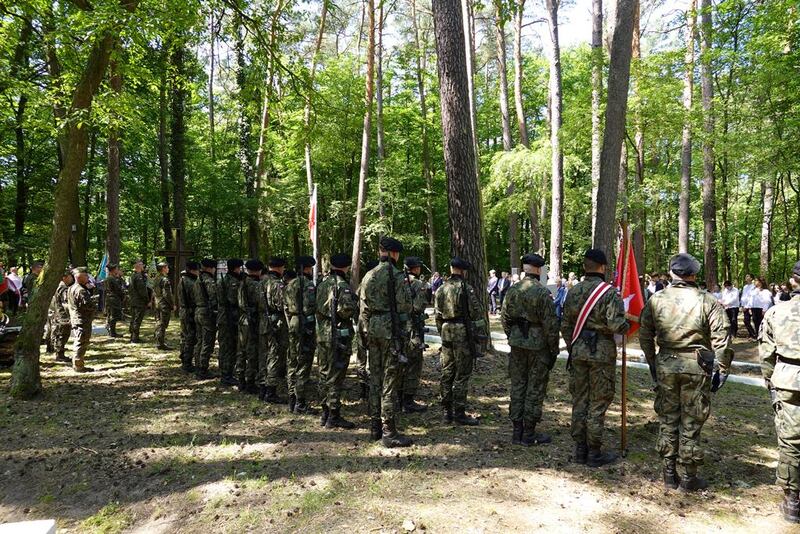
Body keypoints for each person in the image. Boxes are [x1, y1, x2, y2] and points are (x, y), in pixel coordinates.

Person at [639, 253, 733, 491]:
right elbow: (722, 339)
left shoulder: (656, 299)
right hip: (696, 367)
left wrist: (653, 362)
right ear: (693, 274)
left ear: (671, 273)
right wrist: (721, 370)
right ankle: (688, 476)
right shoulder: (706, 300)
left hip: (666, 364)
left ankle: (669, 473)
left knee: (668, 418)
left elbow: (645, 335)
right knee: (691, 421)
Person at [561, 249, 631, 468]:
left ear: (585, 267)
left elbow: (565, 325)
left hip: (579, 350)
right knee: (598, 402)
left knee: (580, 399)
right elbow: (616, 325)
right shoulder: (609, 293)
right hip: (601, 353)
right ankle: (594, 452)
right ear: (602, 267)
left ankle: (579, 448)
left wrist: (574, 345)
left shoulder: (573, 291)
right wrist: (629, 325)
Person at [501, 253, 559, 446]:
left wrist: (513, 336)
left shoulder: (512, 290)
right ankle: (529, 432)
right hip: (537, 346)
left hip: (517, 344)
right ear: (538, 269)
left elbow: (505, 318)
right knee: (534, 387)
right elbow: (550, 325)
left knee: (518, 385)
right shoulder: (542, 292)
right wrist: (553, 350)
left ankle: (517, 430)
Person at [360, 237, 414, 447]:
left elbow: (363, 308)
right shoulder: (398, 276)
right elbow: (405, 307)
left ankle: (375, 426)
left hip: (373, 329)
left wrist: (367, 329)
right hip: (390, 330)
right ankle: (389, 432)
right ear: (394, 253)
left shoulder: (368, 275)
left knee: (375, 377)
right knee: (389, 381)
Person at [759, 259, 800, 524]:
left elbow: (766, 353)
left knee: (791, 441)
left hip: (789, 381)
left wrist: (769, 380)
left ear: (793, 281)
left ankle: (793, 501)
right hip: (789, 378)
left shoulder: (777, 312)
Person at [434, 257, 486, 427]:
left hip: (446, 331)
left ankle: (446, 411)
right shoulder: (466, 288)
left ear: (451, 269)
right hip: (462, 333)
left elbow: (437, 315)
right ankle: (459, 412)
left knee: (447, 372)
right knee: (462, 374)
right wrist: (478, 335)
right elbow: (476, 313)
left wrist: (442, 330)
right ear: (463, 271)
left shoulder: (441, 288)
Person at [315, 253, 358, 429]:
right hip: (337, 334)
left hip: (323, 333)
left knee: (324, 372)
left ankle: (325, 411)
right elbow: (345, 311)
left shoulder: (322, 283)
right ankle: (333, 415)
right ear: (346, 267)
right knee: (336, 374)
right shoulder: (342, 286)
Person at [284, 256, 317, 414]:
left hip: (292, 321)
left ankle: (292, 398)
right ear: (307, 268)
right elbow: (309, 306)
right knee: (303, 362)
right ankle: (300, 402)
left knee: (292, 360)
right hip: (304, 323)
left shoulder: (290, 283)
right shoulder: (308, 284)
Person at [401, 256, 429, 413]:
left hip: (399, 327)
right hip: (413, 328)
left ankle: (398, 397)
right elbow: (418, 306)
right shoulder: (418, 284)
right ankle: (408, 400)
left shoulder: (397, 281)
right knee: (413, 363)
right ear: (416, 268)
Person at [261, 257, 289, 402]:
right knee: (275, 355)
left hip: (264, 321)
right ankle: (270, 391)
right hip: (276, 323)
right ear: (280, 268)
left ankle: (263, 386)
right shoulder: (277, 284)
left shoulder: (262, 281)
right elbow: (282, 305)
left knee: (265, 353)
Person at [355, 259, 380, 402]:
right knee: (372, 355)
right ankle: (369, 385)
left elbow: (355, 302)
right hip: (371, 322)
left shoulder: (361, 284)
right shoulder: (375, 283)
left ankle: (362, 386)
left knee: (361, 355)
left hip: (360, 321)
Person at [237, 259, 263, 393]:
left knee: (241, 350)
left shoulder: (242, 282)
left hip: (242, 319)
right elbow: (260, 303)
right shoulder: (254, 285)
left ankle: (240, 378)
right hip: (251, 319)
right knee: (251, 351)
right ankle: (250, 381)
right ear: (258, 271)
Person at [217, 259, 243, 387]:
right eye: (239, 268)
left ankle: (225, 372)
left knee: (225, 346)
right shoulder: (232, 282)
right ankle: (226, 375)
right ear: (235, 268)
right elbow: (234, 300)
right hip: (228, 317)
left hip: (226, 316)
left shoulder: (225, 280)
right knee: (229, 347)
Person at [67, 267, 97, 373]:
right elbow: (87, 305)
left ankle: (78, 363)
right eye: (86, 276)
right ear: (80, 277)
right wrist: (94, 305)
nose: (88, 278)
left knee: (80, 340)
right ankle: (78, 365)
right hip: (82, 319)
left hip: (77, 318)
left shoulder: (71, 288)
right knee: (81, 341)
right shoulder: (80, 290)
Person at [193, 258, 218, 379]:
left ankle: (198, 364)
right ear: (210, 268)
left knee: (200, 340)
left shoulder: (198, 279)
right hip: (206, 313)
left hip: (198, 310)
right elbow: (214, 297)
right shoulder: (209, 280)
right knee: (207, 341)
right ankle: (203, 369)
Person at [177, 261, 200, 373]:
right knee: (190, 338)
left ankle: (184, 358)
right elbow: (195, 298)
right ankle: (187, 362)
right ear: (193, 270)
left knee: (184, 336)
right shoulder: (191, 282)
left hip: (184, 311)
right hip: (189, 311)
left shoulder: (182, 280)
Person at [50, 269, 74, 363]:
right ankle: (60, 354)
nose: (71, 278)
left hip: (57, 313)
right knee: (62, 334)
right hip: (63, 315)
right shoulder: (63, 287)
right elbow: (66, 302)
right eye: (70, 277)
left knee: (59, 333)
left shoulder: (57, 285)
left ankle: (59, 351)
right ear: (65, 277)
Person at [153, 261, 174, 351]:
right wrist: (172, 304)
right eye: (167, 267)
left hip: (157, 302)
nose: (168, 269)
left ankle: (158, 340)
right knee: (163, 323)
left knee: (158, 321)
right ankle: (160, 343)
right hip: (163, 303)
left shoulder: (156, 278)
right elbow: (167, 294)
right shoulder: (165, 280)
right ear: (163, 269)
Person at [128, 259, 149, 343]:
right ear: (138, 266)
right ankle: (134, 337)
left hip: (133, 300)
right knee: (137, 319)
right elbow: (142, 290)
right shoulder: (138, 276)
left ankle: (132, 336)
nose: (143, 266)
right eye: (142, 264)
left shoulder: (133, 276)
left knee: (133, 319)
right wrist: (147, 300)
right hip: (139, 302)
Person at [104, 264, 126, 338]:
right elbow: (118, 289)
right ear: (113, 270)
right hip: (113, 298)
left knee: (112, 315)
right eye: (116, 269)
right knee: (114, 316)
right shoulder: (112, 279)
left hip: (111, 298)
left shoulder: (110, 278)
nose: (118, 270)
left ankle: (111, 331)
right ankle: (112, 332)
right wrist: (122, 295)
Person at [741, 274, 757, 339]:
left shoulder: (754, 287)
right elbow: (743, 296)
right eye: (746, 276)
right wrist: (742, 305)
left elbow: (751, 297)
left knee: (755, 320)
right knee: (746, 321)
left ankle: (755, 334)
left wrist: (749, 307)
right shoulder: (745, 287)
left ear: (751, 278)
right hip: (745, 306)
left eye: (748, 276)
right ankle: (752, 334)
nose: (746, 278)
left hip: (751, 306)